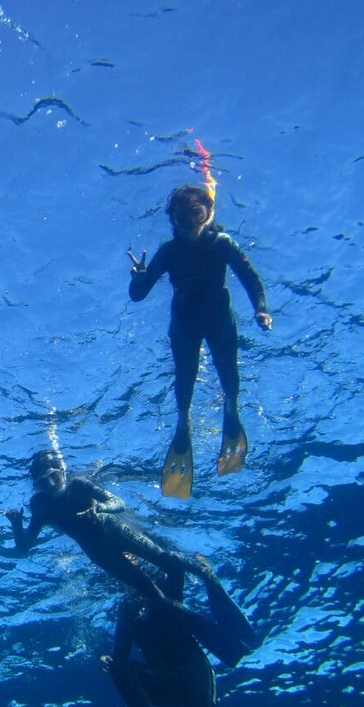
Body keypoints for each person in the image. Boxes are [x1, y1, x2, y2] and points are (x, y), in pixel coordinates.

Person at [127, 184, 272, 499]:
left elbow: (251, 279)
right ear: (173, 221)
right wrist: (139, 277)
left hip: (219, 321)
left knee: (229, 375)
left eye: (197, 214)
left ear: (208, 214)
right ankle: (183, 423)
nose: (191, 223)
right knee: (185, 381)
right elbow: (138, 295)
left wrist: (261, 310)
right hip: (185, 326)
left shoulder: (222, 244)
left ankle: (231, 410)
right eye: (183, 217)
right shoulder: (169, 252)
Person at [101, 554, 258, 707]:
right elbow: (121, 655)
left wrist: (201, 568)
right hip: (163, 682)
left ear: (142, 562)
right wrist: (108, 661)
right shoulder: (129, 608)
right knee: (119, 666)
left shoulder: (165, 584)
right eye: (122, 561)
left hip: (194, 672)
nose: (128, 562)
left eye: (132, 557)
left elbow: (174, 565)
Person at [2, 448, 208, 595]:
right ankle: (172, 610)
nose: (50, 484)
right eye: (43, 482)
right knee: (143, 586)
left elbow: (118, 503)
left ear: (61, 471)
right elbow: (24, 548)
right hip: (95, 550)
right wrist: (16, 525)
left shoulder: (79, 485)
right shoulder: (41, 507)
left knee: (162, 558)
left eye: (53, 476)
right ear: (36, 485)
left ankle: (203, 571)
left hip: (113, 529)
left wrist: (100, 508)